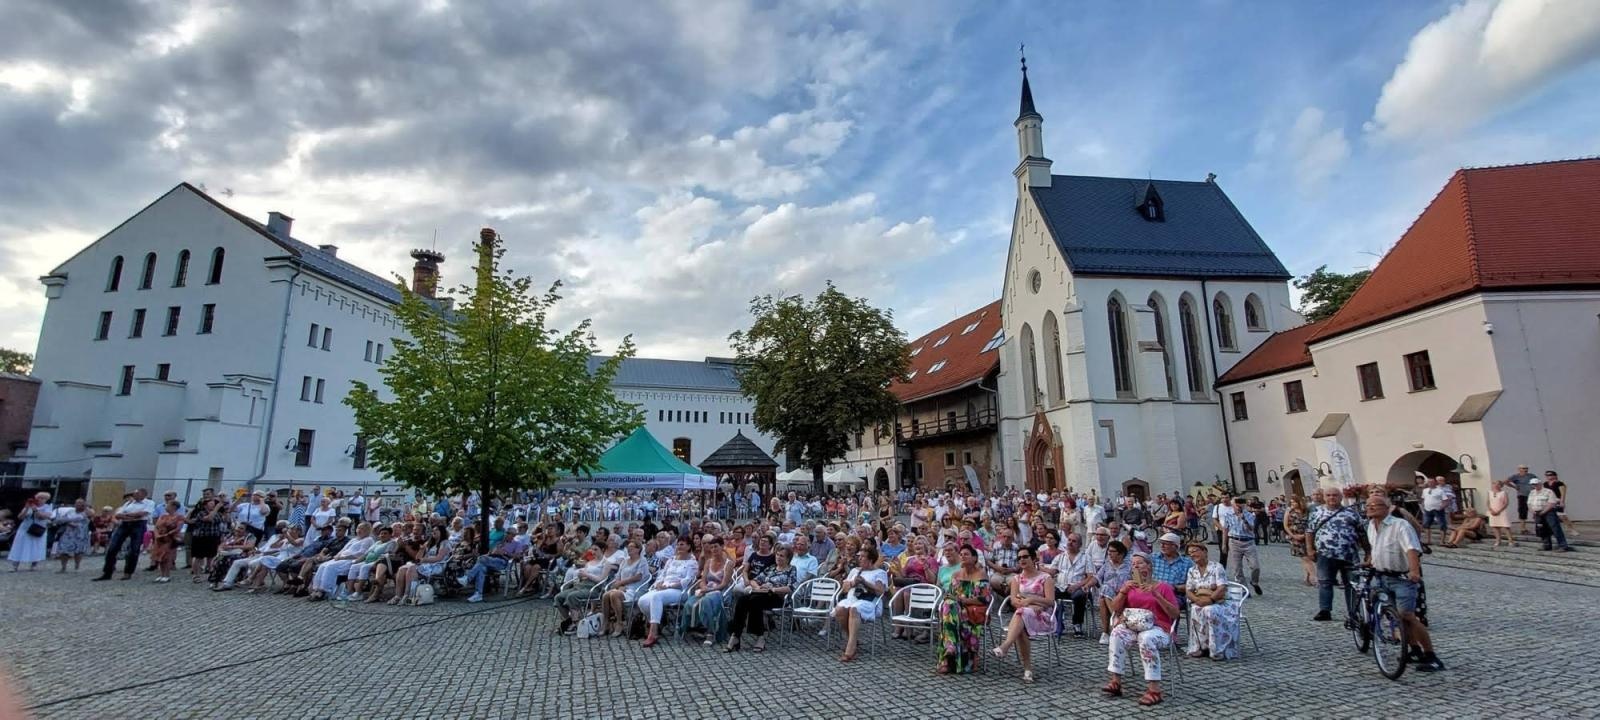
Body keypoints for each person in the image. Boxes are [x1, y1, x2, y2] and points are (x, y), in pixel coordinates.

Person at [1364, 493, 1444, 672]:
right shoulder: (1371, 525)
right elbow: (1376, 547)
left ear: (1387, 508)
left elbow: (1411, 549)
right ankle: (1414, 649)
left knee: (1407, 615)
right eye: (1368, 505)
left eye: (1376, 505)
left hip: (1401, 578)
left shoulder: (1399, 525)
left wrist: (1414, 571)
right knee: (1397, 617)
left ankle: (1431, 655)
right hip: (1382, 576)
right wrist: (1370, 561)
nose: (1370, 507)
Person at [1102, 552, 1179, 707]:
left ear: (1149, 566)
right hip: (1133, 625)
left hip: (1159, 628)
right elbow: (1115, 609)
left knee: (1146, 638)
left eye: (1140, 563)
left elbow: (1175, 614)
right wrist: (1123, 591)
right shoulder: (1130, 587)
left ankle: (1154, 689)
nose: (1135, 566)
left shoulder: (1163, 587)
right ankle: (1116, 681)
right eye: (1133, 564)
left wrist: (1157, 595)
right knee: (1116, 634)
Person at [990, 546, 1055, 683]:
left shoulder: (1046, 578)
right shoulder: (1016, 579)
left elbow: (1050, 601)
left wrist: (1031, 600)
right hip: (1024, 613)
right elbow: (1014, 601)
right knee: (1022, 621)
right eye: (1019, 558)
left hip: (1042, 616)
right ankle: (1027, 670)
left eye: (1025, 557)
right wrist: (1030, 605)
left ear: (1033, 558)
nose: (1022, 560)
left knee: (1021, 614)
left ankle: (1006, 646)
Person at [723, 546, 797, 653]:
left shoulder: (791, 570)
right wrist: (758, 587)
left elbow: (790, 588)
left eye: (782, 556)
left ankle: (758, 636)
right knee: (743, 600)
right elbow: (754, 580)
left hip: (778, 597)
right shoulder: (771, 568)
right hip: (762, 594)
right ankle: (736, 635)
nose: (778, 557)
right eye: (777, 554)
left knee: (754, 601)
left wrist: (773, 589)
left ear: (788, 558)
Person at [936, 544, 992, 675]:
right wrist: (954, 600)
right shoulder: (955, 575)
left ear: (974, 558)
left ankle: (947, 657)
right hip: (956, 610)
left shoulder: (981, 574)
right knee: (949, 604)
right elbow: (951, 595)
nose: (963, 556)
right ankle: (951, 651)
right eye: (961, 554)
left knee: (949, 610)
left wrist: (962, 601)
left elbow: (984, 599)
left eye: (966, 554)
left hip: (974, 610)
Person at [637, 537, 698, 647]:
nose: (679, 547)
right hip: (663, 588)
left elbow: (687, 580)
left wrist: (669, 585)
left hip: (679, 591)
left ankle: (652, 633)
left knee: (656, 597)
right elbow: (662, 575)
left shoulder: (692, 562)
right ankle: (659, 620)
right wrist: (658, 583)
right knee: (642, 600)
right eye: (678, 544)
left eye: (682, 544)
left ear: (689, 546)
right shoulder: (671, 560)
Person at [833, 545, 888, 663]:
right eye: (859, 556)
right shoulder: (855, 571)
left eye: (863, 557)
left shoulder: (880, 573)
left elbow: (880, 592)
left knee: (854, 609)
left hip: (870, 602)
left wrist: (865, 583)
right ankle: (852, 640)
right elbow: (844, 589)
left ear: (871, 560)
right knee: (840, 609)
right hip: (853, 599)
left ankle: (850, 650)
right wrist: (853, 583)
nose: (860, 559)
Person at [1183, 542, 1237, 660]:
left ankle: (1216, 649)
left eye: (1195, 551)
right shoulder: (1192, 570)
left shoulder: (1217, 567)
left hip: (1221, 602)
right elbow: (1188, 590)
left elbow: (1222, 588)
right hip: (1201, 600)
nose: (1192, 555)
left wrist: (1210, 599)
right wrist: (1197, 600)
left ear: (1204, 551)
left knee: (1209, 610)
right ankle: (1202, 647)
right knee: (1195, 609)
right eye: (1190, 553)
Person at [681, 536, 730, 645]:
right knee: (690, 603)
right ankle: (694, 627)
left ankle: (710, 632)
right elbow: (703, 580)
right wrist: (703, 588)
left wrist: (709, 590)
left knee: (706, 601)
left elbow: (724, 584)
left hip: (720, 591)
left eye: (716, 547)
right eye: (712, 547)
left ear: (722, 546)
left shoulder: (728, 563)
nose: (713, 549)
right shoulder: (708, 562)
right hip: (707, 589)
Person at [457, 531, 530, 603]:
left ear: (513, 535)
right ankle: (478, 594)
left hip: (502, 561)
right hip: (492, 559)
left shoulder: (517, 544)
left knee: (481, 559)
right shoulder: (500, 543)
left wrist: (505, 553)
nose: (506, 534)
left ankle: (468, 578)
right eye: (506, 533)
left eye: (508, 533)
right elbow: (490, 553)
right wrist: (493, 551)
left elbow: (517, 557)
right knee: (481, 567)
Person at [601, 540, 651, 638]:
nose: (629, 549)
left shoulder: (642, 561)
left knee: (614, 594)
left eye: (632, 547)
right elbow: (618, 576)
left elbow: (638, 577)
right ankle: (606, 623)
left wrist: (621, 583)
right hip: (623, 587)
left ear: (638, 549)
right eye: (628, 547)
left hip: (635, 589)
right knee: (605, 595)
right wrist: (619, 585)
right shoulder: (624, 561)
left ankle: (619, 623)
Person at [1050, 531, 1094, 638]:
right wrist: (1039, 567)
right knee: (1049, 594)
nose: (1070, 542)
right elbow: (1052, 572)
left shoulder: (1086, 557)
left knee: (1080, 595)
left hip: (1078, 587)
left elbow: (1090, 576)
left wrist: (1076, 586)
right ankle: (1058, 623)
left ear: (1079, 544)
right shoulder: (1060, 556)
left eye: (1074, 541)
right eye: (1069, 540)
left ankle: (1077, 624)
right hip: (1061, 586)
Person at [1221, 497, 1262, 595]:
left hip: (1248, 542)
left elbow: (1251, 529)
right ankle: (1244, 589)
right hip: (1234, 541)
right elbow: (1225, 530)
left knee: (1255, 566)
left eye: (1241, 503)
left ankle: (1254, 582)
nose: (1239, 505)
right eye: (1237, 503)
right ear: (1233, 505)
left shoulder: (1249, 515)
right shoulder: (1228, 515)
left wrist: (1244, 519)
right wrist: (1224, 544)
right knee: (1237, 568)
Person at [1094, 540, 1131, 645]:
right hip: (1109, 595)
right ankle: (1116, 619)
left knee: (1103, 597)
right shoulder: (1107, 565)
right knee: (1105, 591)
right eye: (1108, 551)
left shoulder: (1129, 566)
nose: (1109, 553)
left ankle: (1106, 632)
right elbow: (1097, 577)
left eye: (1112, 551)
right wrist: (1087, 585)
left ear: (1121, 554)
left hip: (1124, 595)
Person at [9, 492, 54, 571]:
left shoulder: (47, 507)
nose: (40, 500)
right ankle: (15, 566)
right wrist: (26, 508)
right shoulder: (30, 505)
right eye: (39, 498)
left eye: (43, 498)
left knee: (37, 546)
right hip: (25, 528)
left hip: (38, 529)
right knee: (19, 546)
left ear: (46, 500)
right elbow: (20, 517)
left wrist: (36, 510)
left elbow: (43, 517)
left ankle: (34, 565)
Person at [187, 497, 228, 583]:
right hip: (201, 537)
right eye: (211, 503)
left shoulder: (217, 513)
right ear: (205, 505)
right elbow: (209, 519)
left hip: (213, 537)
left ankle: (210, 573)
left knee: (211, 556)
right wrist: (216, 508)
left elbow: (224, 520)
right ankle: (196, 575)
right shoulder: (201, 513)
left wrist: (225, 510)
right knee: (198, 557)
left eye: (214, 503)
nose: (213, 504)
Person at [1530, 472, 1573, 552]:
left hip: (1549, 512)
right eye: (1533, 484)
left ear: (1540, 484)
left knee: (1555, 528)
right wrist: (1533, 511)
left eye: (1536, 484)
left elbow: (1551, 503)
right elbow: (1529, 503)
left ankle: (1563, 545)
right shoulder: (1532, 492)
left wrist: (1544, 511)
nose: (1534, 486)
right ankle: (1547, 545)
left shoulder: (1548, 491)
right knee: (1542, 529)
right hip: (1538, 512)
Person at [1149, 533, 1193, 602]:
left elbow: (1192, 585)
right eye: (1161, 543)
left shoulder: (1187, 563)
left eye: (1165, 544)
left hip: (1174, 595)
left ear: (1175, 546)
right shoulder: (1153, 557)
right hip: (1153, 592)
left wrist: (1175, 587)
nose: (1162, 546)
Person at [148, 500, 185, 583]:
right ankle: (161, 574)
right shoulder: (163, 516)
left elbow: (178, 528)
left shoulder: (179, 517)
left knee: (167, 557)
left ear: (174, 507)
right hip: (159, 539)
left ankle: (167, 575)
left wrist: (167, 534)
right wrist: (157, 535)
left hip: (170, 539)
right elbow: (156, 526)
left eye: (168, 505)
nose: (166, 507)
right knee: (160, 557)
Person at [51, 498, 91, 572]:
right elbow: (61, 519)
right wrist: (68, 522)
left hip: (80, 534)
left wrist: (86, 507)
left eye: (80, 503)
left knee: (79, 551)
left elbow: (89, 515)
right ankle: (63, 567)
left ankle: (77, 565)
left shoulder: (86, 512)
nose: (78, 504)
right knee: (64, 550)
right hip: (68, 533)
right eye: (77, 503)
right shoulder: (70, 511)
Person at [1283, 495, 1313, 586]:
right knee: (1305, 558)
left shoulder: (1306, 511)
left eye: (1294, 502)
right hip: (1295, 537)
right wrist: (1293, 535)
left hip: (1307, 536)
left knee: (1308, 558)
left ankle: (1307, 577)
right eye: (1291, 502)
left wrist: (1305, 535)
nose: (1293, 504)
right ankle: (1314, 577)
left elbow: (1310, 524)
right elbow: (1285, 525)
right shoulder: (1289, 511)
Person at [1420, 476, 1452, 546]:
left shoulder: (1440, 491)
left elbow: (1445, 500)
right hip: (1427, 509)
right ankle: (1428, 540)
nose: (1430, 483)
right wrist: (1423, 506)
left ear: (1435, 482)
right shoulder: (1425, 490)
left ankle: (1442, 541)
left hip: (1437, 509)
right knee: (1426, 525)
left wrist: (1441, 507)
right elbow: (1423, 499)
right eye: (1428, 482)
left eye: (1431, 482)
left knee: (1442, 525)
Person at [1506, 465, 1537, 535]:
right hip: (1522, 495)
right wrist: (1514, 487)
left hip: (1532, 495)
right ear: (1519, 469)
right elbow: (1506, 482)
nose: (1525, 469)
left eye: (1526, 468)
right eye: (1523, 468)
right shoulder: (1516, 476)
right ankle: (1523, 528)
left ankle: (1538, 525)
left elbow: (1537, 483)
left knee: (1536, 509)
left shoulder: (1531, 476)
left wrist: (1534, 488)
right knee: (1523, 510)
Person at [1486, 479, 1515, 548]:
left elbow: (1506, 503)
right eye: (1494, 484)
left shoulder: (1504, 493)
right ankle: (1498, 540)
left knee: (1506, 526)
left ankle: (1510, 541)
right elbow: (1488, 502)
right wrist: (1491, 510)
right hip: (1492, 511)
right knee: (1495, 526)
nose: (1496, 485)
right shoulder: (1489, 492)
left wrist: (1499, 511)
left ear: (1501, 486)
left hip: (1501, 511)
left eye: (1498, 484)